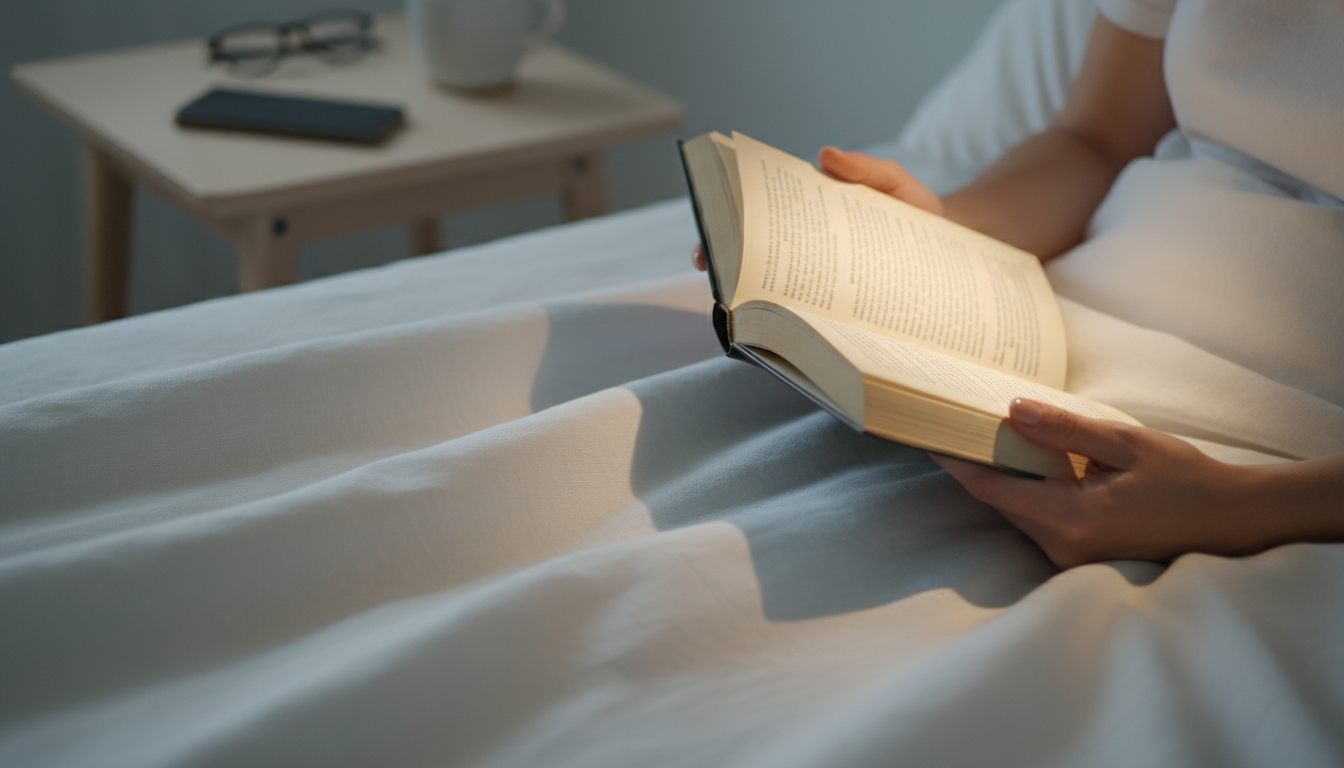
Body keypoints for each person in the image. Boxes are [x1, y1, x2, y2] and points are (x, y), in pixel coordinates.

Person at [693, 4, 1344, 569]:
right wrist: (937, 227)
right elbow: (1095, 140)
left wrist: (1238, 508)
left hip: (1255, 456)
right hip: (1041, 329)